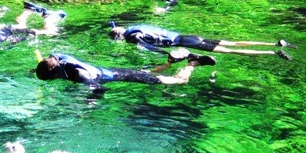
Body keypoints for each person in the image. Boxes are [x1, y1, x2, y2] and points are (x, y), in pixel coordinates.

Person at [35, 50, 215, 90]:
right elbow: (48, 62)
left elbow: (99, 88)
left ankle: (192, 63)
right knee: (149, 74)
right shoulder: (56, 57)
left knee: (179, 81)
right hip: (110, 70)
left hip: (119, 77)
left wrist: (89, 105)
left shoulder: (76, 73)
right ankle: (169, 62)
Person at [109, 22, 294, 60]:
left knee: (230, 51)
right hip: (188, 36)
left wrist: (163, 54)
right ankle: (275, 44)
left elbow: (147, 46)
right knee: (233, 43)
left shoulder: (132, 37)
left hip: (189, 44)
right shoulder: (134, 26)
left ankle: (273, 53)